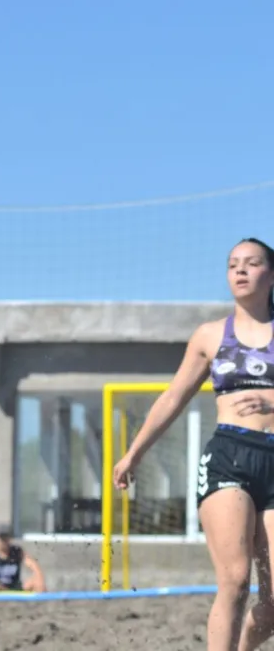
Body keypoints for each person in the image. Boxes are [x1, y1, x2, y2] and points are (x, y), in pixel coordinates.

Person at [113, 238, 274, 651]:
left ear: (271, 275)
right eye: (233, 264)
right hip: (229, 458)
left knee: (273, 604)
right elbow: (172, 397)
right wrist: (134, 453)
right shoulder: (210, 335)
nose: (241, 270)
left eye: (252, 263)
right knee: (235, 580)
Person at [0, 524, 45, 593]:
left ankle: (43, 602)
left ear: (10, 539)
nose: (3, 541)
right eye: (1, 538)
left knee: (36, 582)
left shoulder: (17, 551)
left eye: (6, 538)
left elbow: (33, 565)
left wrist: (39, 578)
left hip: (15, 589)